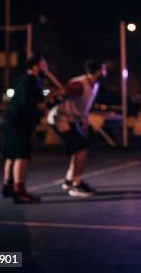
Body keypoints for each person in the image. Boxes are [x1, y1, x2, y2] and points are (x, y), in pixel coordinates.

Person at [47, 59, 106, 197]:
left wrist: (84, 119)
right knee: (81, 148)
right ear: (97, 71)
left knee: (79, 148)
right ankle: (76, 185)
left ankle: (69, 180)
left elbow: (83, 105)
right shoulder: (79, 85)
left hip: (73, 120)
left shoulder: (95, 84)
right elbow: (59, 91)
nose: (105, 71)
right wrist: (43, 103)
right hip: (60, 120)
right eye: (103, 69)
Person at [0, 56, 49, 204]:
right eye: (43, 65)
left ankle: (7, 186)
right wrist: (40, 105)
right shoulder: (32, 80)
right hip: (18, 121)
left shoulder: (21, 79)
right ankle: (19, 191)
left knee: (11, 154)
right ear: (35, 66)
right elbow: (26, 101)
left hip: (8, 119)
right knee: (22, 155)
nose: (46, 68)